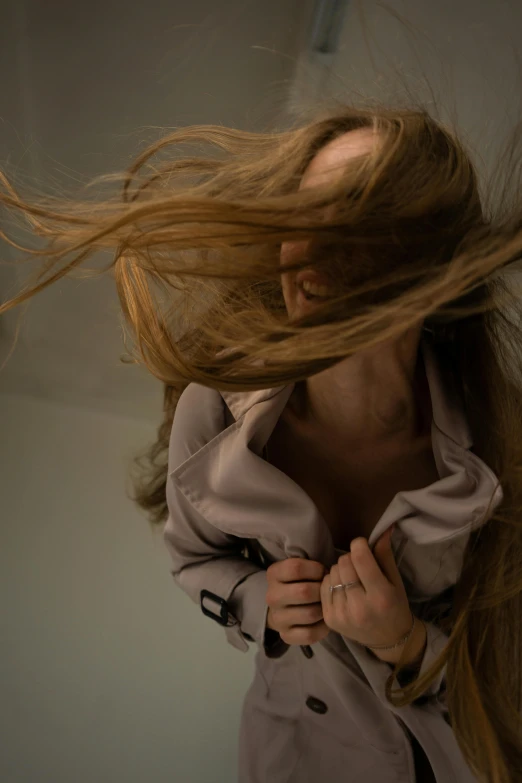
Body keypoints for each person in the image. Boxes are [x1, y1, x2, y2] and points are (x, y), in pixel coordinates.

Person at [2, 104, 522, 782]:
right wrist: (262, 604)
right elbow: (193, 560)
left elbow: (506, 673)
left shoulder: (502, 438)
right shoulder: (214, 417)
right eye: (306, 214)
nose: (311, 242)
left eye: (358, 213)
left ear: (434, 267)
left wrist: (406, 642)